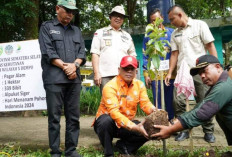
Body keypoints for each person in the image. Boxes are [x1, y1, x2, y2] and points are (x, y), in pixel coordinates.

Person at [39, 0, 86, 156]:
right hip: (54, 79)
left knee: (74, 117)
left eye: (73, 12)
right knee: (54, 117)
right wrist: (67, 67)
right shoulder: (47, 27)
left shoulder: (76, 30)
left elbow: (81, 53)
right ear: (57, 8)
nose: (70, 14)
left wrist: (75, 66)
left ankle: (71, 150)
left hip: (74, 80)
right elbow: (48, 52)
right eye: (67, 10)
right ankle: (55, 151)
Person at [152, 54, 232, 146]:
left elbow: (203, 112)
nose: (202, 76)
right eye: (200, 74)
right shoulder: (220, 83)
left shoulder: (223, 86)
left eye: (204, 71)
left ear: (218, 67)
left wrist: (170, 129)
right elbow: (200, 106)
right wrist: (171, 124)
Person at [165, 5, 218, 142]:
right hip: (183, 72)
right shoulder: (175, 33)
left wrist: (216, 67)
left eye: (172, 19)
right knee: (178, 101)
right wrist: (170, 73)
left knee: (205, 101)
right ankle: (183, 130)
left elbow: (210, 46)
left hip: (202, 70)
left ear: (180, 15)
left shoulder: (200, 25)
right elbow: (174, 54)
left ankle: (208, 131)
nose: (171, 23)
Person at [93, 56, 156, 157]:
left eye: (132, 69)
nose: (129, 71)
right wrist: (134, 127)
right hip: (110, 124)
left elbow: (145, 103)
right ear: (119, 70)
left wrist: (154, 110)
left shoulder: (140, 85)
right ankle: (108, 153)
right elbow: (114, 113)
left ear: (136, 71)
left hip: (126, 124)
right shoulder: (110, 86)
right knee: (105, 121)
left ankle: (124, 146)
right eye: (126, 68)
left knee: (150, 128)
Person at [90, 5, 136, 94]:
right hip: (106, 76)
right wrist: (96, 73)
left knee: (125, 102)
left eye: (121, 16)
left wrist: (133, 74)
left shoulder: (127, 36)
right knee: (108, 103)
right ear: (110, 17)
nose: (118, 18)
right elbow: (95, 53)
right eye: (116, 15)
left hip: (124, 75)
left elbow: (132, 54)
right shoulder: (99, 33)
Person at [143, 8, 175, 121]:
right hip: (155, 73)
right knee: (157, 100)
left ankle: (171, 121)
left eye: (157, 19)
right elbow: (145, 55)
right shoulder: (148, 36)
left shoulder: (171, 33)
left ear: (161, 18)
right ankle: (160, 123)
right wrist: (146, 74)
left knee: (170, 99)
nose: (155, 22)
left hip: (170, 74)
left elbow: (175, 53)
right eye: (152, 20)